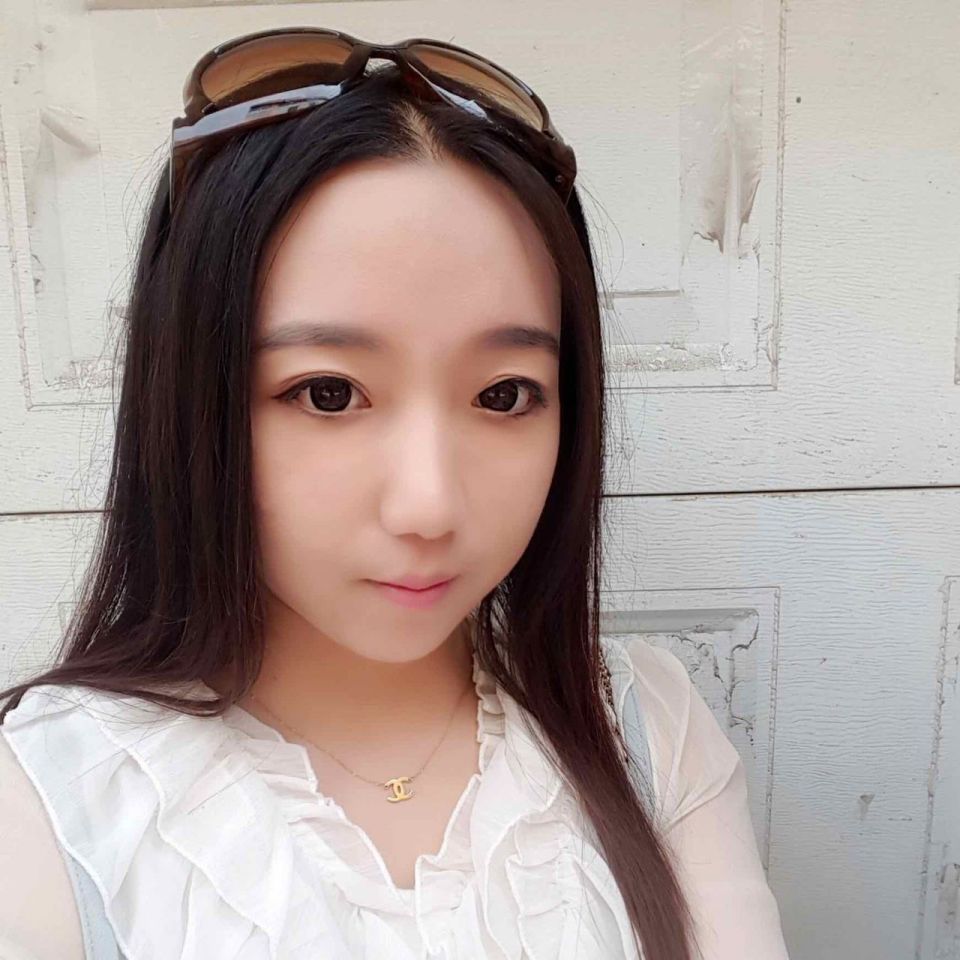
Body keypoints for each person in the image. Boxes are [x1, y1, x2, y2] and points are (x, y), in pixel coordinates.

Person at [0, 27, 790, 960]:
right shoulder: (51, 806)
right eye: (328, 394)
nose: (429, 508)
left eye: (504, 395)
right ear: (190, 400)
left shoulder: (644, 731)